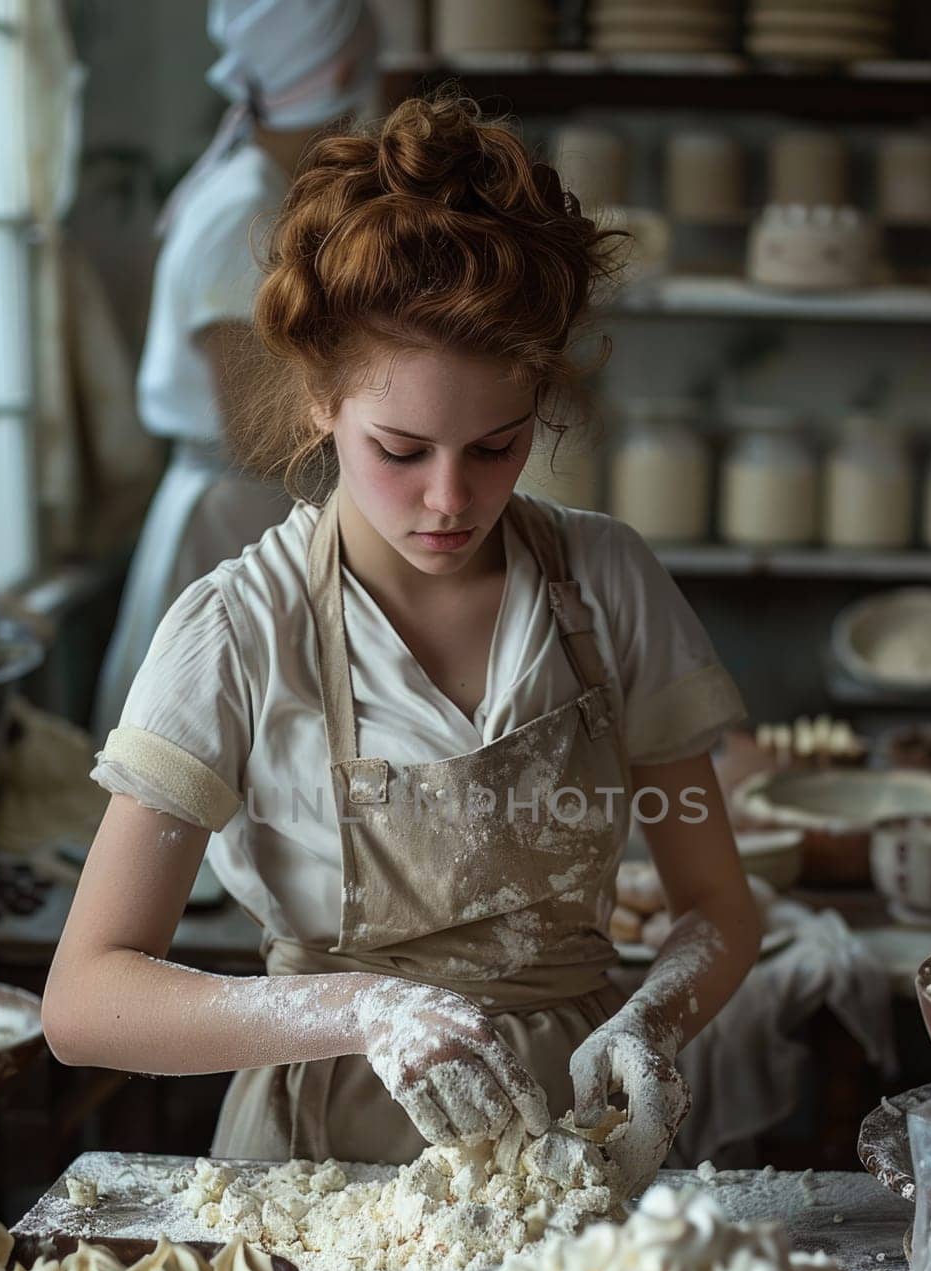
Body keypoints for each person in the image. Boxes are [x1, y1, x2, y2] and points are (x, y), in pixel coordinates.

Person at [45, 91, 761, 1197]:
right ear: (320, 401)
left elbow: (715, 908)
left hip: (577, 1146)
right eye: (400, 447)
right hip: (319, 1157)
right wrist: (362, 1003)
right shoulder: (239, 629)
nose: (448, 497)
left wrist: (650, 1019)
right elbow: (85, 1000)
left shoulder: (605, 583)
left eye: (495, 444)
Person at [91, 0, 379, 740]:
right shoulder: (242, 209)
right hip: (231, 516)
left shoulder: (259, 192)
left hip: (242, 503)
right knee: (207, 755)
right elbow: (254, 429)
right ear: (341, 70)